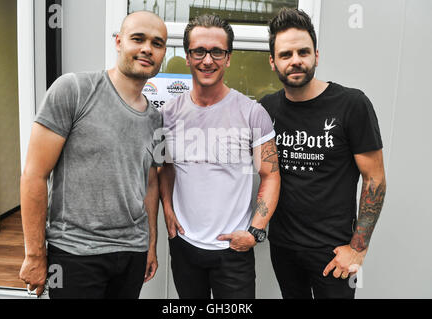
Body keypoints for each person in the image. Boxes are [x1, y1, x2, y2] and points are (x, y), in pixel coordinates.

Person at [19, 11, 167, 299]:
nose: (147, 48)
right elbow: (34, 175)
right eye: (138, 39)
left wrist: (150, 244)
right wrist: (35, 254)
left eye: (157, 43)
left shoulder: (156, 120)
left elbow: (151, 182)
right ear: (119, 42)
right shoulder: (73, 90)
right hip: (74, 254)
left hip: (132, 253)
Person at [260, 8, 387, 299]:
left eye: (303, 52)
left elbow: (375, 179)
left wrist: (357, 248)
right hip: (284, 247)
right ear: (273, 61)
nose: (295, 61)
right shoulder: (267, 108)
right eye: (285, 54)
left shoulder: (352, 104)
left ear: (316, 55)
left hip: (333, 253)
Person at [158, 14, 281, 299]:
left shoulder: (252, 113)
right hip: (185, 246)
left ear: (228, 58)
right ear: (187, 57)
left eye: (217, 51)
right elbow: (164, 168)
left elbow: (271, 175)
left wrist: (255, 232)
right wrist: (167, 209)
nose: (207, 60)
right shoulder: (167, 115)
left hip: (233, 252)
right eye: (199, 51)